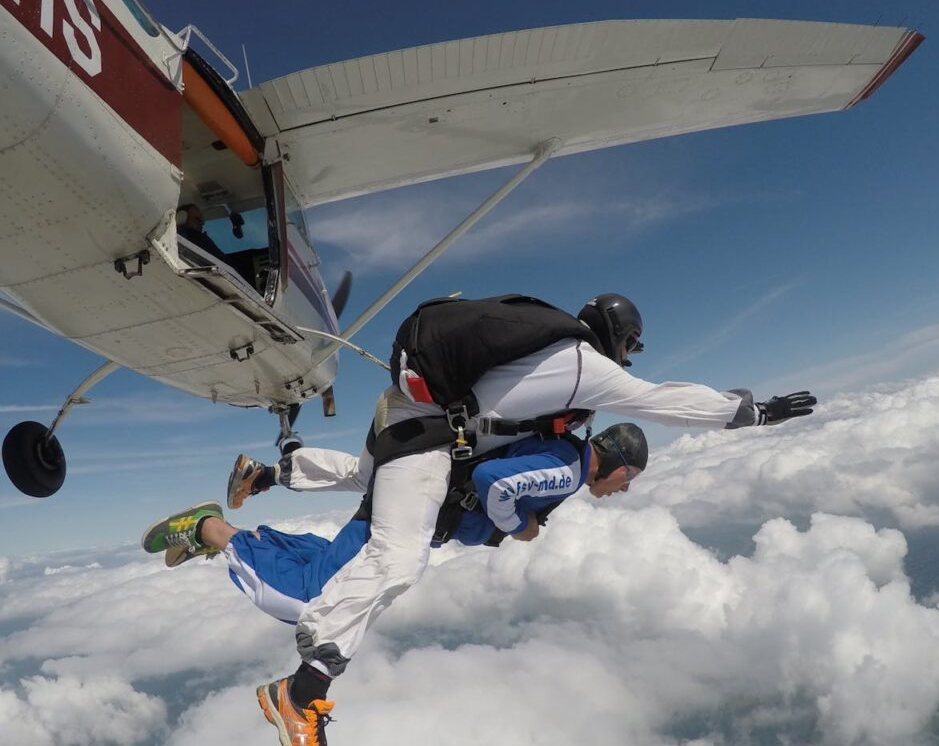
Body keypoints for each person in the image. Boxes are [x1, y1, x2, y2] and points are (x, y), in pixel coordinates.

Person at [239, 291, 816, 746]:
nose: (630, 357)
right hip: (424, 421)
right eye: (632, 344)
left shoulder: (541, 352)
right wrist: (749, 413)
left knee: (373, 478)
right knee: (400, 554)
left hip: (404, 412)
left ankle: (272, 472)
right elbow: (663, 399)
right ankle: (303, 689)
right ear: (618, 336)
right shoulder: (583, 363)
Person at [142, 423, 648, 745]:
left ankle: (253, 526)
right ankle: (210, 530)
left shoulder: (558, 445)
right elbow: (494, 484)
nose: (622, 490)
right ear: (621, 467)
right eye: (627, 481)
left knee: (334, 572)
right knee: (307, 600)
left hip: (412, 471)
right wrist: (523, 527)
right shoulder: (568, 469)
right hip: (416, 507)